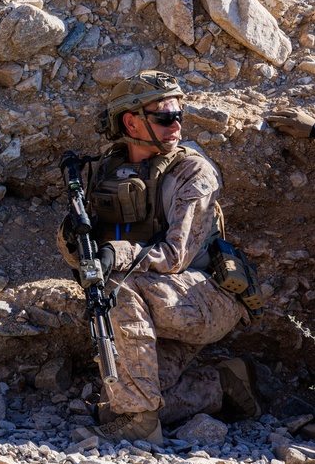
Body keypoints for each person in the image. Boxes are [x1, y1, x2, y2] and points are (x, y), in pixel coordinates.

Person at [57, 70, 261, 445]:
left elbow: (175, 256)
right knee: (112, 407)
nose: (176, 124)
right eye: (165, 116)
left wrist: (110, 255)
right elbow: (88, 255)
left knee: (116, 285)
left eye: (178, 113)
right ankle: (222, 384)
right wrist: (71, 241)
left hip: (204, 299)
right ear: (131, 121)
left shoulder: (193, 172)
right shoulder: (106, 170)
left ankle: (142, 423)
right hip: (151, 302)